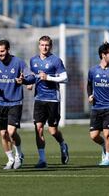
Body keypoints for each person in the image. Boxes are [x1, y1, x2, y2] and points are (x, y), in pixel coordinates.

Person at [0, 40, 34, 169]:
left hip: (15, 102)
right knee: (3, 134)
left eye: (2, 51)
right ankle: (10, 159)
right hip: (1, 103)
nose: (0, 54)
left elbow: (31, 77)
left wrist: (23, 80)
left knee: (11, 132)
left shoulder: (19, 62)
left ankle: (19, 155)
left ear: (8, 49)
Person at [29, 35, 69, 168]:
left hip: (53, 98)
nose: (44, 47)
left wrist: (48, 77)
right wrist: (29, 82)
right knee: (38, 128)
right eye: (42, 45)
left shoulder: (56, 60)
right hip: (39, 98)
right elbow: (34, 76)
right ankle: (42, 160)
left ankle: (63, 144)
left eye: (46, 45)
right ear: (38, 46)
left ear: (50, 46)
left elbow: (64, 78)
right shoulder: (33, 60)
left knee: (53, 131)